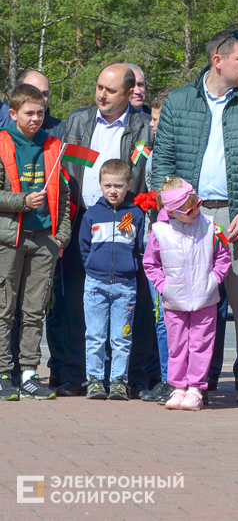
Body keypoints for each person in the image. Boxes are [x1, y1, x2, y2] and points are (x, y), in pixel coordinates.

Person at [152, 30, 238, 411]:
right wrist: (175, 211)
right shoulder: (179, 100)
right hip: (189, 215)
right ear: (218, 61)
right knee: (195, 305)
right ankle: (196, 383)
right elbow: (163, 162)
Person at [54, 64, 154, 397]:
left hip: (126, 219)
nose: (101, 95)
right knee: (76, 303)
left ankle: (129, 378)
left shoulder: (141, 127)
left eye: (110, 90)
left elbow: (141, 175)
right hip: (84, 218)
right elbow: (72, 170)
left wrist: (131, 217)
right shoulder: (79, 122)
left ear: (128, 93)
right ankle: (76, 375)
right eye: (99, 87)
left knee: (129, 303)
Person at [0, 84, 70, 401]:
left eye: (41, 112)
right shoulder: (2, 144)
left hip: (45, 240)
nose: (36, 119)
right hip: (9, 239)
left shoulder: (54, 145)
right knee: (4, 309)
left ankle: (29, 373)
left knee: (34, 311)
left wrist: (61, 237)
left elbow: (66, 198)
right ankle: (4, 374)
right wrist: (23, 201)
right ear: (13, 113)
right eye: (29, 113)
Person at [144, 177, 232, 412]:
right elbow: (150, 264)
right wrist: (164, 286)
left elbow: (223, 256)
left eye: (197, 205)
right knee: (177, 345)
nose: (195, 212)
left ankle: (196, 388)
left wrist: (214, 279)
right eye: (189, 209)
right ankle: (177, 387)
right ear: (172, 211)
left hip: (205, 299)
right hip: (174, 301)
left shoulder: (210, 226)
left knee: (201, 344)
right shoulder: (160, 231)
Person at [79, 160, 145, 401]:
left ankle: (119, 380)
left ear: (129, 185)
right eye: (107, 185)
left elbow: (139, 248)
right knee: (95, 336)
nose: (112, 190)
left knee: (121, 337)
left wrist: (131, 267)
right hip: (95, 283)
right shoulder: (93, 214)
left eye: (118, 185)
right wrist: (92, 267)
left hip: (125, 285)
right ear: (100, 185)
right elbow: (84, 246)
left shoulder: (135, 214)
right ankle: (95, 380)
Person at [138, 88, 175, 404]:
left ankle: (175, 377)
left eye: (158, 120)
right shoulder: (147, 152)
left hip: (179, 244)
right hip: (154, 239)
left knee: (170, 315)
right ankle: (162, 376)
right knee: (158, 314)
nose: (152, 125)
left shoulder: (182, 153)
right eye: (151, 118)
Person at [18, 69, 64, 139]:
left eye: (45, 94)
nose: (40, 99)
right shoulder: (5, 129)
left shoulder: (64, 131)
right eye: (33, 93)